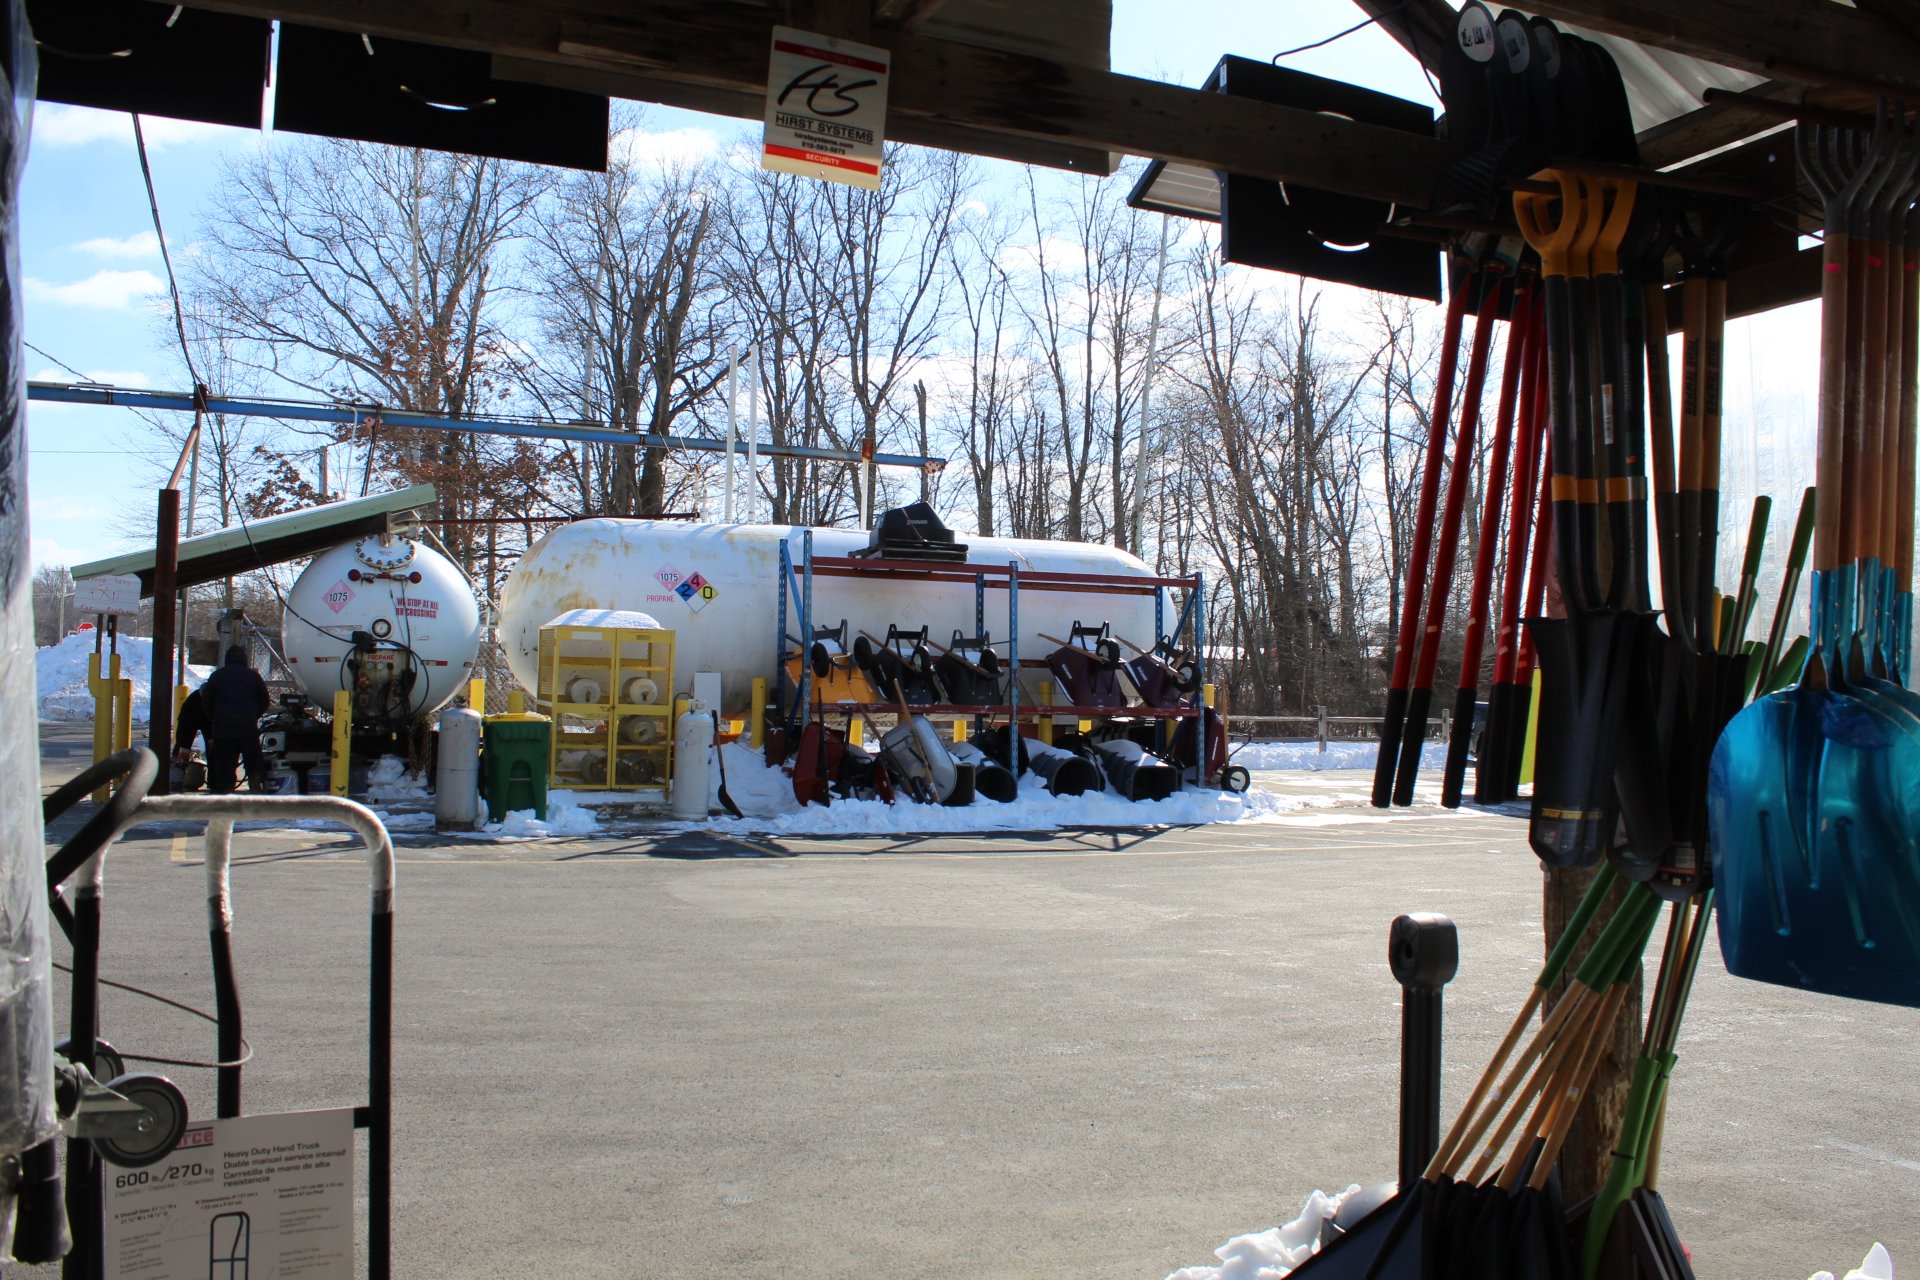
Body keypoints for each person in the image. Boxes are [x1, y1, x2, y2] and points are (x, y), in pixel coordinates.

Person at [201, 644, 271, 794]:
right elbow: (265, 700)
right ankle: (255, 790)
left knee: (225, 764)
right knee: (253, 761)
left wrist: (216, 717)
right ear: (244, 659)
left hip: (223, 728)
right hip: (247, 727)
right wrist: (253, 715)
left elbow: (206, 701)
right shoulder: (253, 676)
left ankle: (227, 795)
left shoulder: (217, 676)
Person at [172, 684, 210, 791]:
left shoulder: (201, 696)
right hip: (190, 716)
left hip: (197, 716)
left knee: (182, 746)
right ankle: (177, 778)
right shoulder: (196, 703)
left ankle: (177, 779)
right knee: (183, 747)